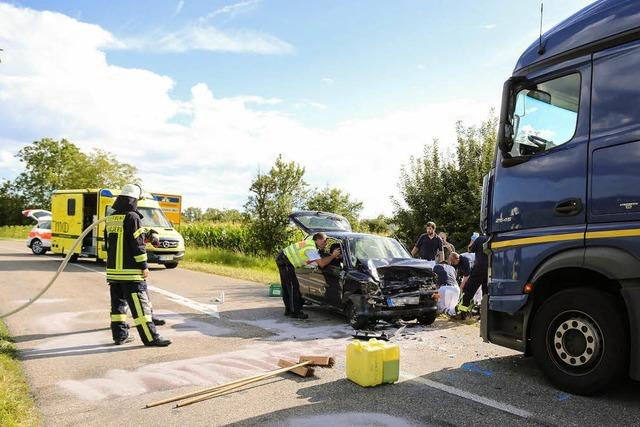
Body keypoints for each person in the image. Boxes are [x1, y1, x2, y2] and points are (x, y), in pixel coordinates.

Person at [106, 184, 171, 346]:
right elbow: (137, 245)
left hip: (114, 272)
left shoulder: (111, 217)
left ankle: (120, 336)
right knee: (141, 309)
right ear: (134, 200)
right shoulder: (133, 217)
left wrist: (147, 234)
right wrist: (143, 265)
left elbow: (113, 243)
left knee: (118, 307)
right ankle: (151, 338)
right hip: (131, 273)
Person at [275, 232, 342, 319]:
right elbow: (321, 264)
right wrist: (333, 256)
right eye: (325, 241)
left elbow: (312, 258)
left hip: (283, 259)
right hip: (286, 262)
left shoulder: (309, 244)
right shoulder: (311, 248)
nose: (326, 244)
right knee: (293, 287)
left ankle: (289, 310)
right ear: (318, 240)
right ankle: (295, 312)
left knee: (287, 287)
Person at [456, 233, 489, 319]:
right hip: (490, 269)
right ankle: (484, 316)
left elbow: (470, 249)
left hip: (479, 269)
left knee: (469, 290)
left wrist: (472, 241)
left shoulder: (480, 239)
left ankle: (463, 313)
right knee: (486, 293)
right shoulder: (494, 238)